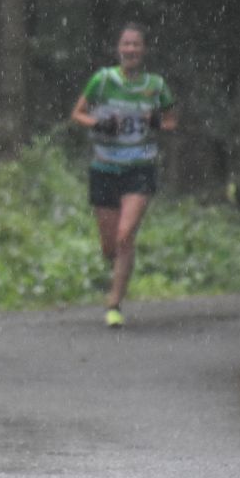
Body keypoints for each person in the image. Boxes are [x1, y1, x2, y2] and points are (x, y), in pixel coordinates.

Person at [70, 22, 177, 328]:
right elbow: (78, 114)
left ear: (143, 50)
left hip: (140, 167)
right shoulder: (103, 81)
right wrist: (98, 124)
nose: (131, 50)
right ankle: (119, 268)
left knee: (125, 235)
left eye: (136, 45)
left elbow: (171, 121)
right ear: (119, 49)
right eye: (126, 44)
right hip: (104, 166)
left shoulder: (155, 85)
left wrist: (156, 120)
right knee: (109, 245)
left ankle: (114, 303)